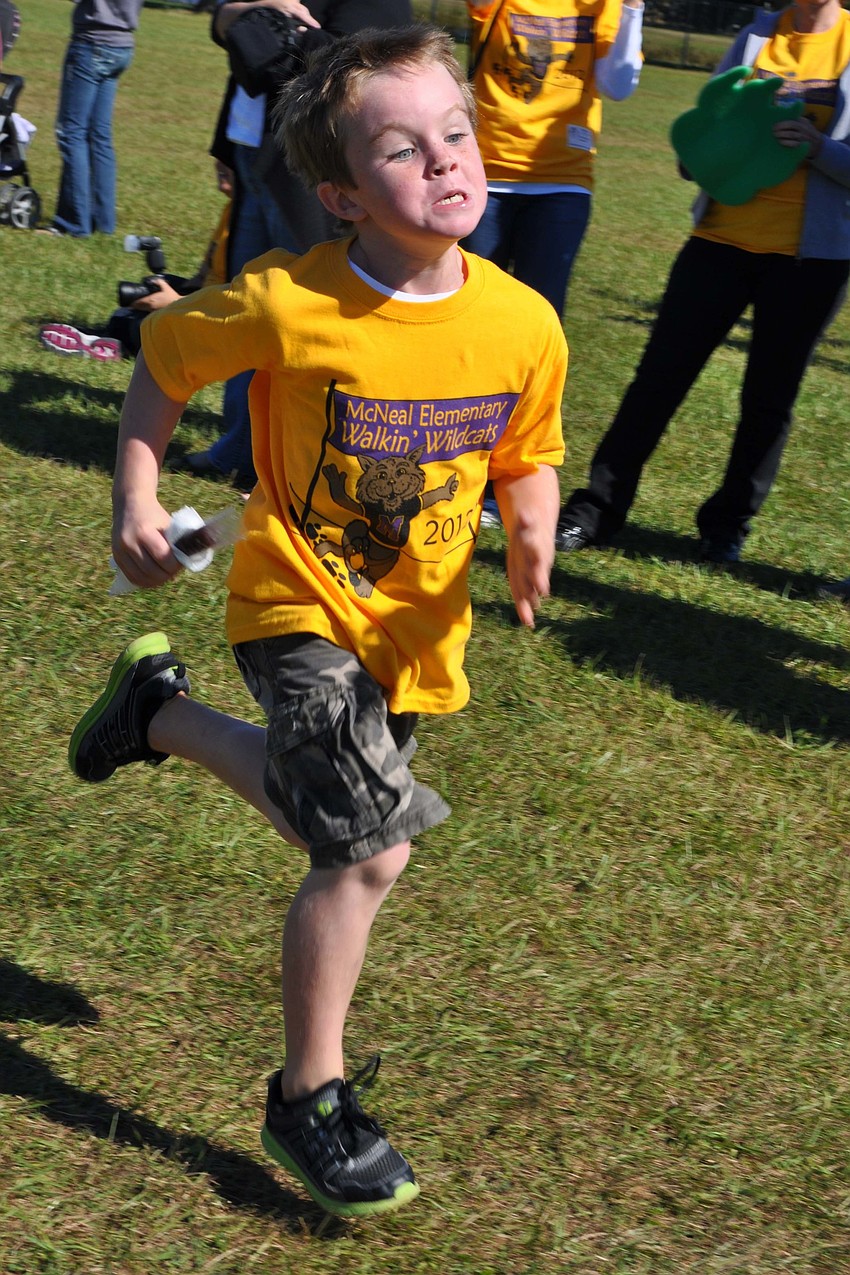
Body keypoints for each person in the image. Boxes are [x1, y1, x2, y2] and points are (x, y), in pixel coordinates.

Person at [67, 26, 567, 1218]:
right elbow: (165, 364)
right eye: (403, 149)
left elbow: (527, 448)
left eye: (455, 132)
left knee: (327, 817)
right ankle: (311, 1098)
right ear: (342, 192)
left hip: (415, 626)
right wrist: (137, 498)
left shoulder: (523, 323)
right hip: (294, 601)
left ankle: (159, 715)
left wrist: (532, 529)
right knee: (365, 848)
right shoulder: (294, 300)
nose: (445, 162)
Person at [555, 0, 850, 565]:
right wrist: (707, 152)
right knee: (658, 379)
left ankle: (726, 527)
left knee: (770, 398)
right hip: (719, 243)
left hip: (810, 260)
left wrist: (819, 148)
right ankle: (595, 510)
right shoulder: (758, 36)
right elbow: (707, 126)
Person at [183, 0, 412, 489]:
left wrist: (273, 28)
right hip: (255, 157)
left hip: (310, 170)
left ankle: (296, 456)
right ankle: (239, 448)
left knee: (305, 314)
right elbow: (233, 37)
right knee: (250, 307)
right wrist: (227, 143)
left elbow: (353, 67)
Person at [463, 0, 641, 526]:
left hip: (562, 180)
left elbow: (619, 84)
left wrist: (631, 9)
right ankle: (455, 466)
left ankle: (508, 480)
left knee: (537, 333)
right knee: (469, 321)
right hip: (485, 172)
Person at [39, 161, 234, 365]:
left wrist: (176, 303)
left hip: (219, 322)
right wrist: (170, 289)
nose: (220, 164)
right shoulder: (231, 210)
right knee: (142, 302)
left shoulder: (250, 234)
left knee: (146, 326)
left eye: (228, 162)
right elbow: (203, 275)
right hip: (207, 302)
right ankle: (117, 334)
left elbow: (236, 306)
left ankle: (111, 346)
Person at [46, 0, 144, 238]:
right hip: (122, 45)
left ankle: (73, 223)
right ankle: (103, 222)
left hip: (92, 42)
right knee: (99, 135)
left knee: (72, 133)